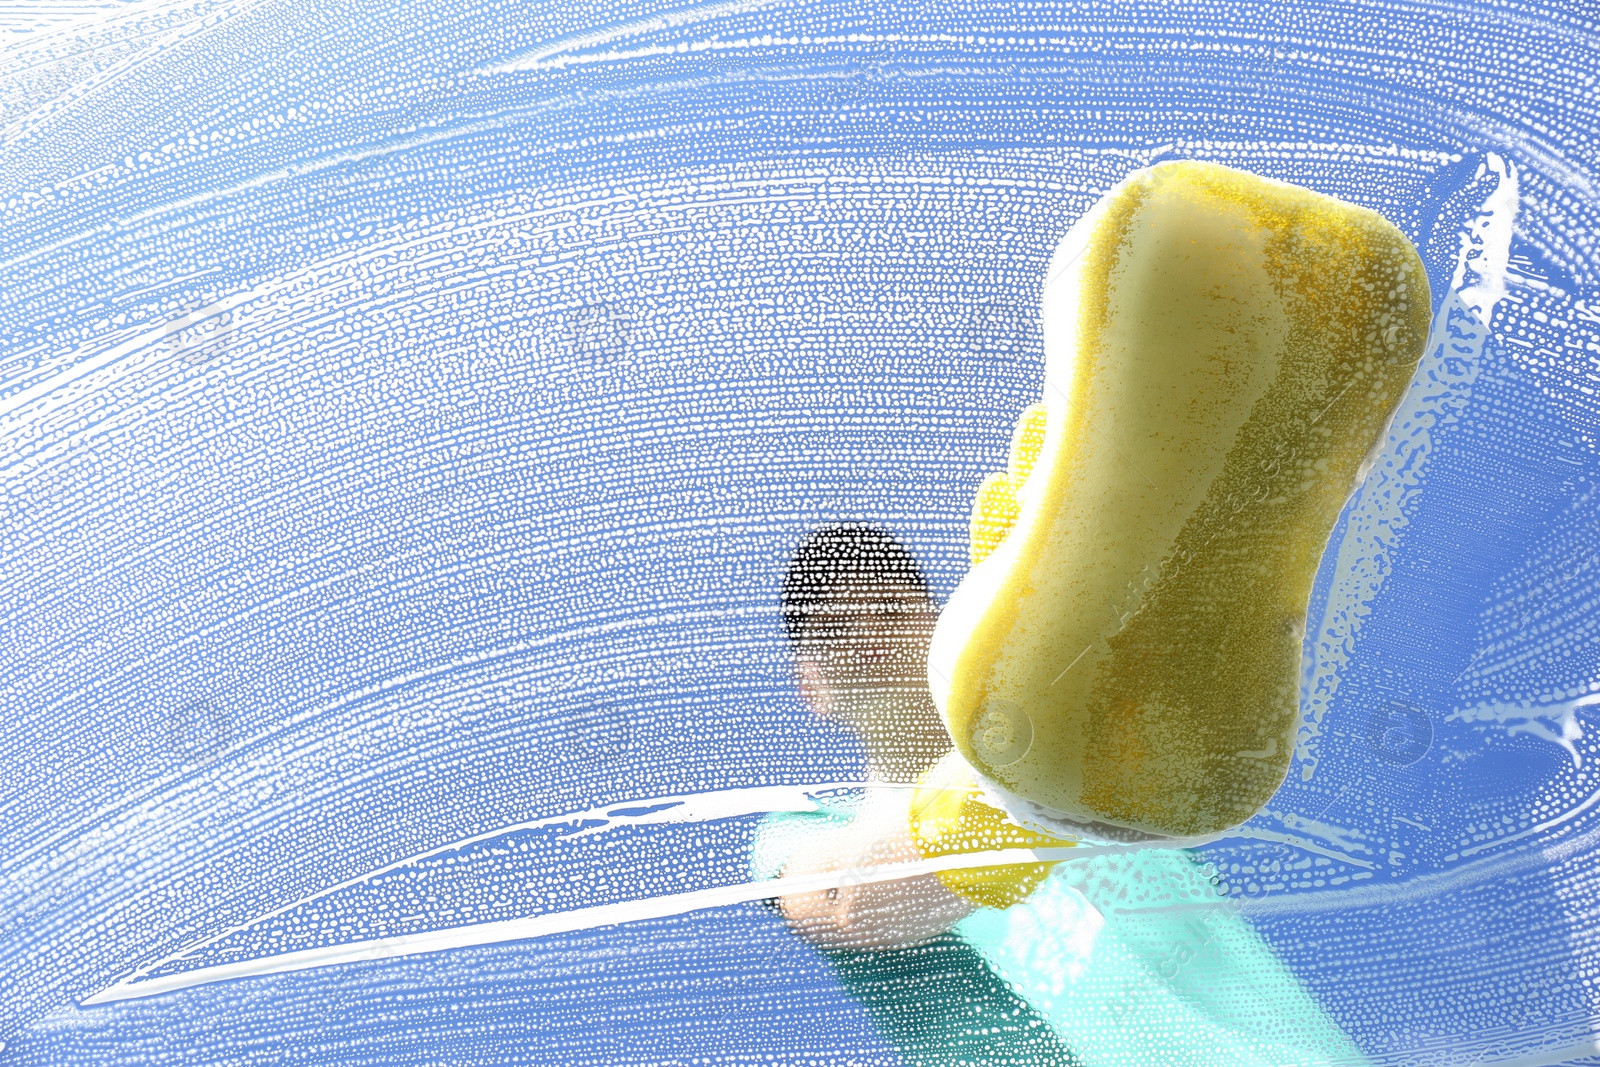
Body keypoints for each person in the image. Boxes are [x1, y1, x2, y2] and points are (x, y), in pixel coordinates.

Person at [751, 523, 1370, 1067]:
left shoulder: (1103, 756)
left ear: (938, 628)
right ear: (812, 687)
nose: (869, 632)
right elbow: (844, 904)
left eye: (891, 608)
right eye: (832, 626)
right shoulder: (797, 830)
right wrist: (1035, 757)